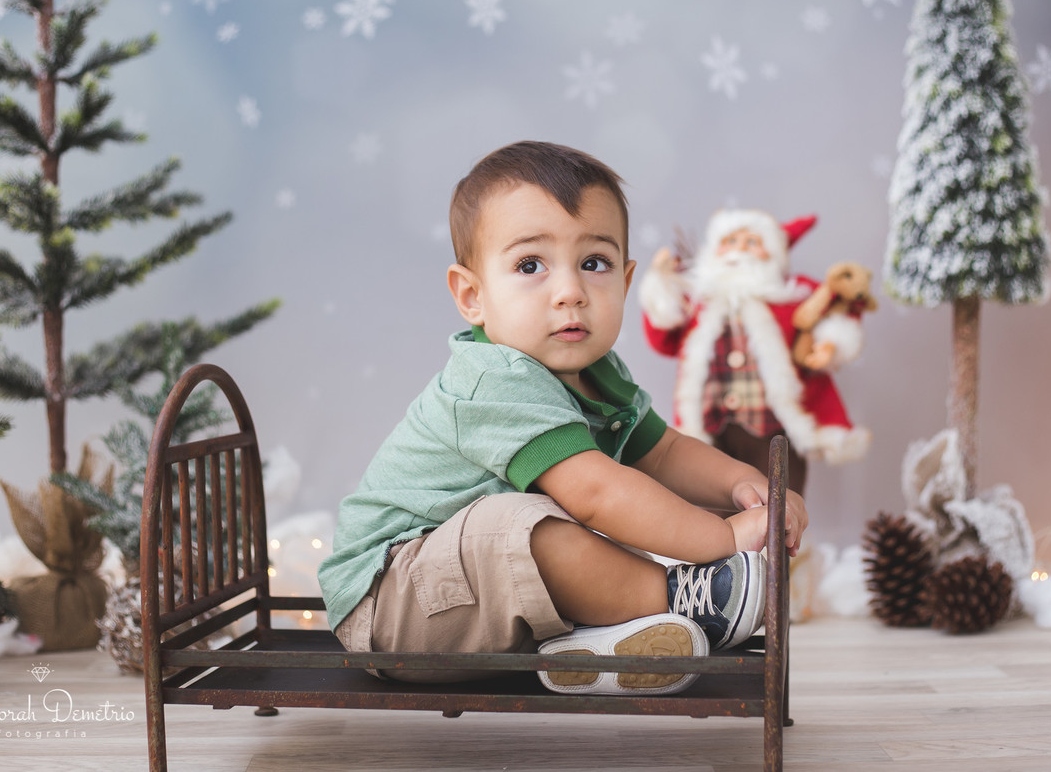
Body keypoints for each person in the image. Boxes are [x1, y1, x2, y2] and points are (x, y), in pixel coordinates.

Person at [317, 141, 807, 697]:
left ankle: (596, 647)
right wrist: (720, 537)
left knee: (563, 524)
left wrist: (745, 483)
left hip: (486, 604)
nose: (570, 292)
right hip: (393, 605)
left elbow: (665, 452)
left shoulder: (599, 371)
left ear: (625, 282)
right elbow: (597, 492)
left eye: (593, 263)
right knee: (527, 521)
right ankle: (683, 601)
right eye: (531, 266)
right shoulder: (495, 381)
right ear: (473, 295)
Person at [639, 210, 871, 496]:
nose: (740, 250)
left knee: (780, 500)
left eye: (752, 242)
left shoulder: (789, 296)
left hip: (773, 426)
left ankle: (778, 538)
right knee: (710, 499)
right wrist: (663, 286)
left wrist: (830, 344)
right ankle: (717, 541)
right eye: (731, 241)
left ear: (773, 253)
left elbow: (834, 310)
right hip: (711, 429)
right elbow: (664, 340)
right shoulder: (699, 302)